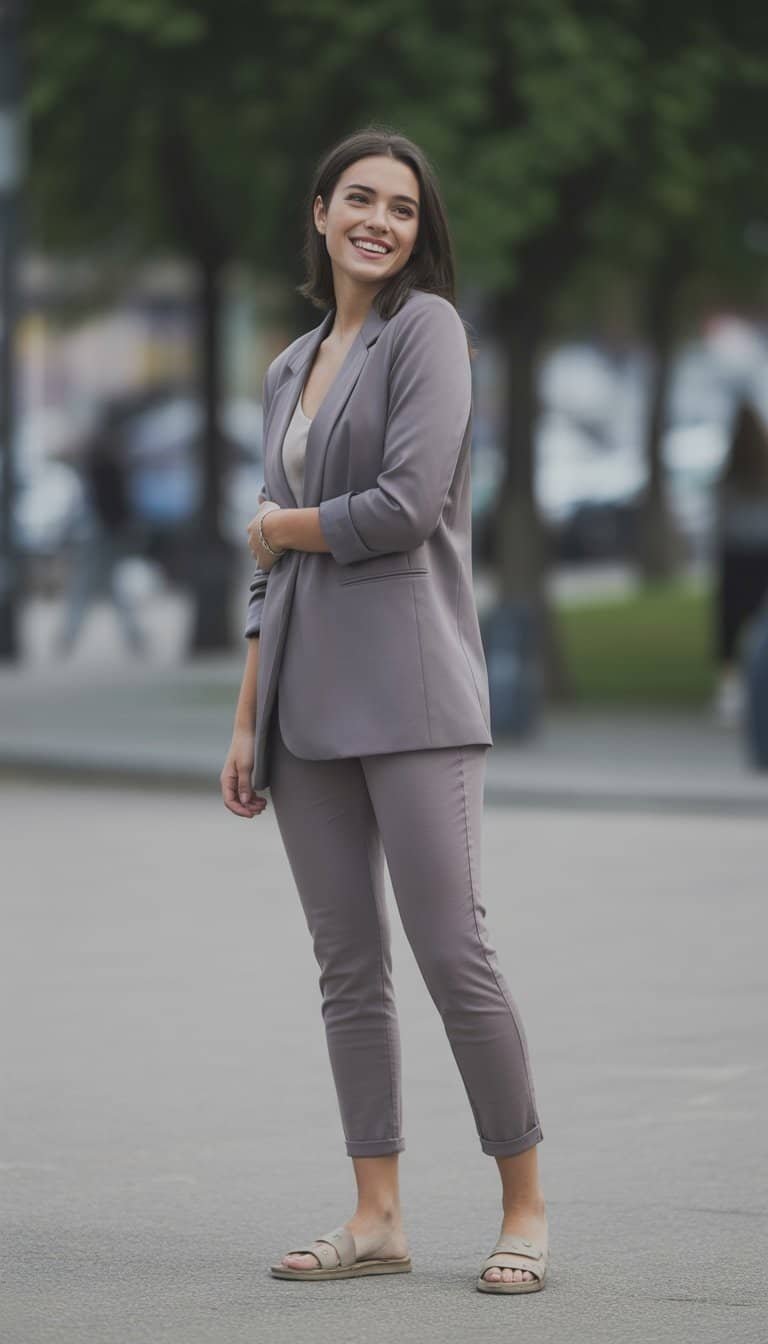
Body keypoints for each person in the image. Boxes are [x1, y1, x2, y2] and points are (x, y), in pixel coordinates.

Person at [220, 129, 548, 1295]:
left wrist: (278, 522)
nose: (379, 219)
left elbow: (405, 505)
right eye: (358, 198)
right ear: (318, 214)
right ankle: (378, 1214)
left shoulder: (431, 333)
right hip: (302, 702)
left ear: (419, 229)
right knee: (346, 963)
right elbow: (273, 576)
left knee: (453, 949)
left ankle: (524, 1207)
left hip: (412, 691)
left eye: (401, 207)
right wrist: (246, 714)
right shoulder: (287, 365)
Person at [56, 402, 147, 658]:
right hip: (103, 530)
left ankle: (69, 635)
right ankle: (130, 635)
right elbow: (113, 498)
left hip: (100, 529)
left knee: (95, 584)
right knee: (95, 584)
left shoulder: (100, 453)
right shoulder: (106, 455)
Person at [713, 401, 768, 724]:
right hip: (762, 555)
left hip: (737, 556)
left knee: (731, 625)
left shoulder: (731, 475)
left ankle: (730, 691)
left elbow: (720, 520)